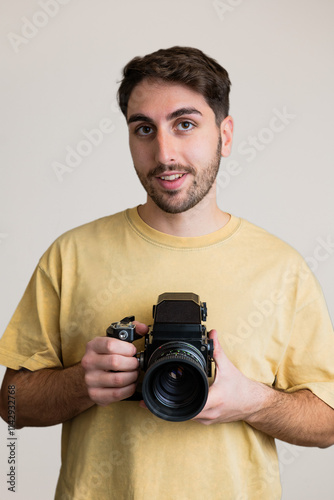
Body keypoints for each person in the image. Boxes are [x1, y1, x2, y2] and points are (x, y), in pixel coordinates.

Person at [0, 46, 334, 500]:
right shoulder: (70, 255)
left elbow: (328, 424)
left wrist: (254, 401)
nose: (164, 152)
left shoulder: (282, 268)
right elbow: (11, 403)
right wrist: (82, 382)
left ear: (226, 134)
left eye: (185, 124)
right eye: (143, 129)